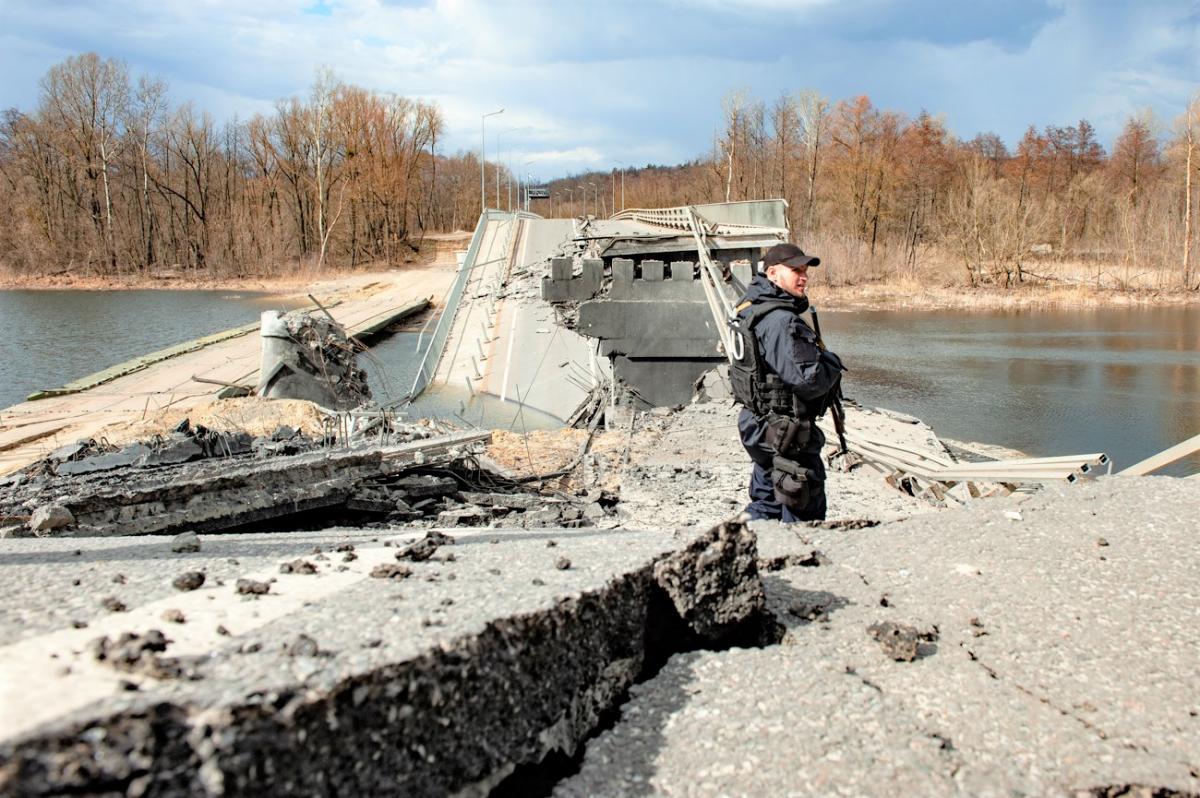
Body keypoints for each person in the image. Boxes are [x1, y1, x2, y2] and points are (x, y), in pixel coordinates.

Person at [727, 242, 846, 522]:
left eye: (805, 270)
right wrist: (832, 363)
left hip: (759, 427)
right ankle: (795, 562)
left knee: (766, 503)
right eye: (796, 270)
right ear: (772, 273)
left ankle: (743, 551)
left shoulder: (749, 307)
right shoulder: (782, 322)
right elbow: (809, 382)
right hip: (788, 436)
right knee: (804, 514)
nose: (803, 277)